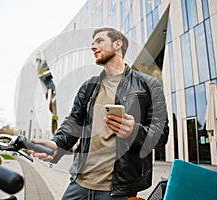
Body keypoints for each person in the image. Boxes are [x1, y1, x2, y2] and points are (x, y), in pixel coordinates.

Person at [29, 27, 169, 199]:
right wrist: (57, 144)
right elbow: (73, 123)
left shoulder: (148, 85)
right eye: (92, 43)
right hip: (79, 184)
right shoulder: (89, 87)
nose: (93, 47)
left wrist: (135, 131)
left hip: (117, 191)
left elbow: (162, 134)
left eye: (99, 41)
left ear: (118, 44)